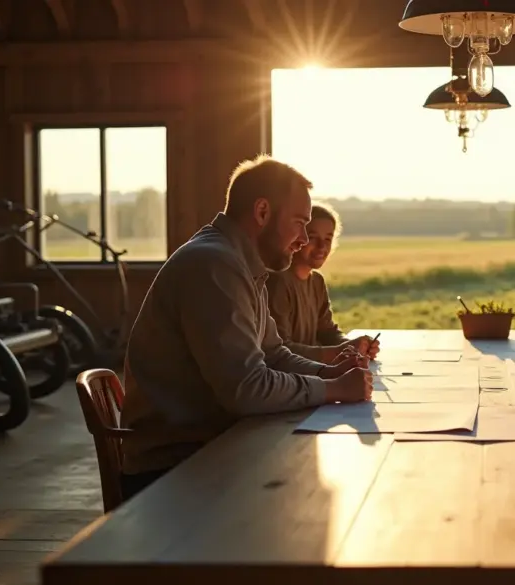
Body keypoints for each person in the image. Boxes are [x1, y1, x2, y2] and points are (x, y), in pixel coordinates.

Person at [117, 154, 373, 502]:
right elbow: (247, 390)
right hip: (173, 472)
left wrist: (329, 373)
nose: (303, 239)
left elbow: (274, 354)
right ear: (262, 212)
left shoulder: (240, 264)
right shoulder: (213, 265)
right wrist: (334, 388)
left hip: (214, 447)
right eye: (299, 223)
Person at [266, 202, 379, 363]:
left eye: (328, 238)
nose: (322, 246)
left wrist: (354, 346)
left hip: (312, 373)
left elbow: (327, 332)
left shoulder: (316, 281)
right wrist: (338, 352)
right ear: (297, 237)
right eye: (313, 238)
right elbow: (279, 350)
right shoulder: (277, 283)